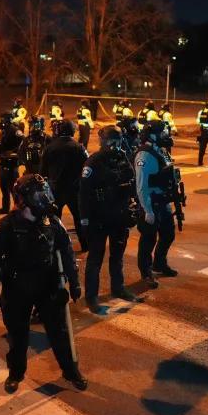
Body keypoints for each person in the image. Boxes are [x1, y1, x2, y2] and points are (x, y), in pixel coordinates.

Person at [0, 174, 87, 394]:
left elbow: (66, 252)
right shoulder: (6, 226)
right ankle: (16, 373)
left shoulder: (52, 222)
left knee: (59, 333)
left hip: (48, 284)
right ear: (23, 199)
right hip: (17, 287)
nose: (46, 199)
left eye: (46, 193)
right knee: (18, 335)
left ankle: (70, 371)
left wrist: (74, 281)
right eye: (40, 195)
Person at [79, 126, 138, 313]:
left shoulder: (122, 158)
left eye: (118, 140)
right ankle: (91, 297)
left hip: (118, 215)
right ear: (103, 141)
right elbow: (83, 193)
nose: (115, 144)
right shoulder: (94, 161)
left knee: (117, 255)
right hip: (98, 217)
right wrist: (84, 219)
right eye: (112, 140)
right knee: (95, 258)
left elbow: (131, 179)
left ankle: (118, 287)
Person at [134, 119, 179, 288]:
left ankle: (159, 264)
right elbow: (141, 186)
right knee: (148, 239)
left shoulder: (161, 150)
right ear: (152, 135)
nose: (165, 135)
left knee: (168, 234)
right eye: (162, 132)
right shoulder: (144, 155)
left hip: (162, 201)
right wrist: (147, 210)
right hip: (150, 203)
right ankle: (146, 273)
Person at [41, 120, 89, 251]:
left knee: (54, 219)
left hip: (55, 189)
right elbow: (87, 166)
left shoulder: (50, 147)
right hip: (74, 189)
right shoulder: (79, 147)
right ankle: (85, 244)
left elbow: (43, 171)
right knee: (79, 218)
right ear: (72, 131)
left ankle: (55, 245)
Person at [0, 112, 24, 214]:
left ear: (7, 120)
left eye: (2, 119)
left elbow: (23, 143)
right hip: (3, 162)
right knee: (4, 187)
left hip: (11, 164)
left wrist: (13, 153)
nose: (0, 122)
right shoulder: (4, 131)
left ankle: (18, 209)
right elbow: (2, 144)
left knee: (13, 188)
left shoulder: (15, 130)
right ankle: (5, 208)